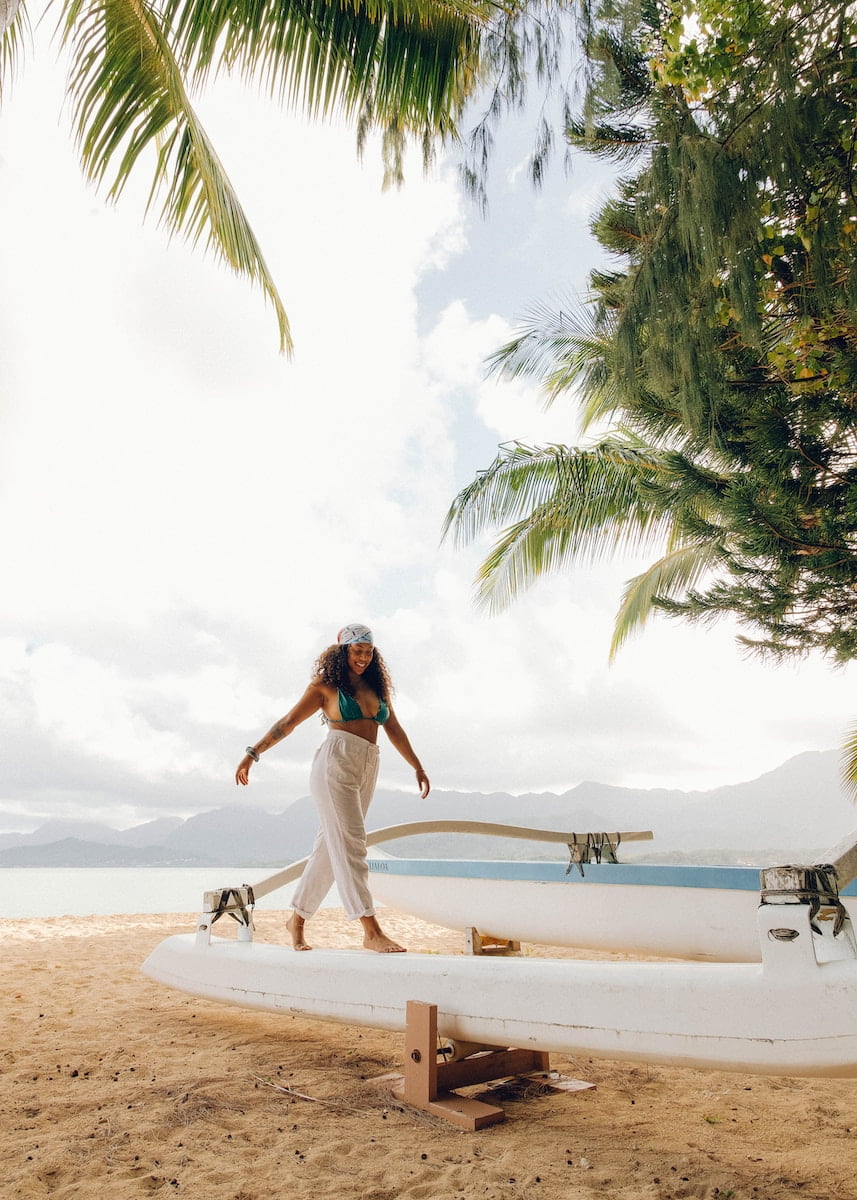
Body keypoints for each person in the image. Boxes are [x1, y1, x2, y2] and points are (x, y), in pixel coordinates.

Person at [235, 623, 430, 953]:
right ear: (344, 651)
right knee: (353, 843)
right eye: (357, 651)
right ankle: (369, 929)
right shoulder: (325, 687)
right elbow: (287, 723)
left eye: (368, 652)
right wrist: (253, 753)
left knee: (330, 849)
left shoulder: (376, 689)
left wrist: (417, 765)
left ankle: (296, 919)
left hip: (369, 763)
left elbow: (393, 727)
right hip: (335, 763)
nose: (363, 658)